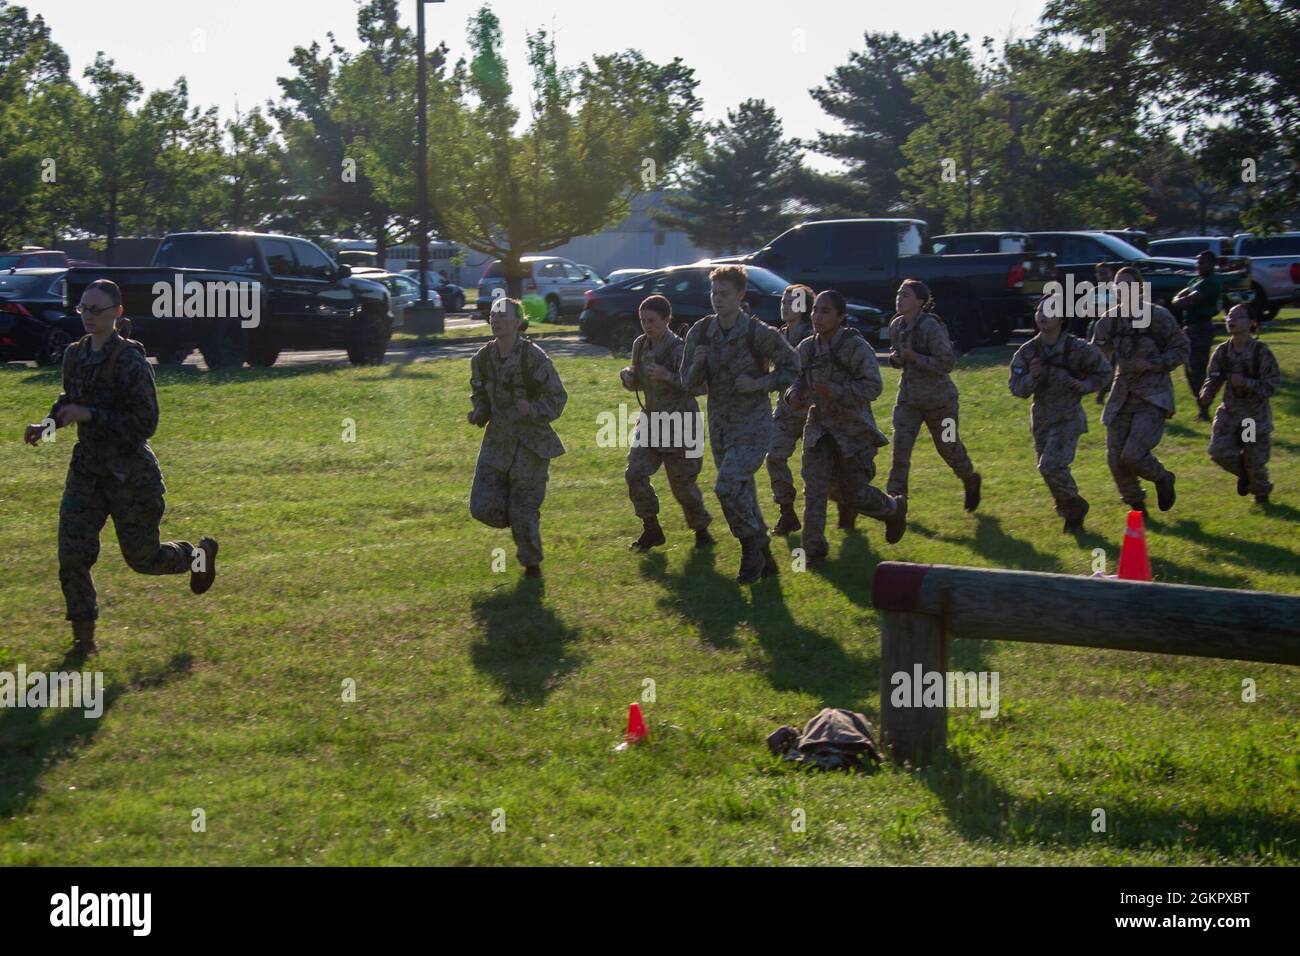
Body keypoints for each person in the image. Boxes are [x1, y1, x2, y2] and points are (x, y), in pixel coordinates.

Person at [23, 279, 217, 659]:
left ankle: (197, 556)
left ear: (117, 313)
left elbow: (145, 423)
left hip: (130, 475)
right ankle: (84, 639)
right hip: (87, 472)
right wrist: (47, 426)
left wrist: (91, 415)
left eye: (98, 309)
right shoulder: (74, 355)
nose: (89, 317)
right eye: (84, 308)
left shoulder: (130, 360)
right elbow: (69, 400)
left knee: (143, 559)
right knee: (72, 552)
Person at [682, 264, 801, 584]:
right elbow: (688, 385)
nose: (717, 299)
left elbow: (793, 366)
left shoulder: (757, 332)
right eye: (713, 293)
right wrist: (697, 364)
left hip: (753, 424)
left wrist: (761, 383)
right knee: (743, 492)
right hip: (720, 425)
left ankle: (750, 545)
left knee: (727, 486)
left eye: (724, 293)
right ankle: (766, 558)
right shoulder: (701, 332)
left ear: (740, 295)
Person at [784, 290, 907, 563]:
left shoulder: (854, 347)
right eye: (815, 310)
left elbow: (873, 387)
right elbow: (796, 379)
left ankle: (892, 509)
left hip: (853, 431)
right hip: (820, 429)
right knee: (814, 487)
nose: (817, 316)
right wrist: (793, 394)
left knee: (853, 494)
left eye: (825, 311)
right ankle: (813, 549)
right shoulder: (807, 347)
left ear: (841, 317)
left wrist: (835, 390)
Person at [468, 297, 568, 577]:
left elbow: (558, 398)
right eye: (492, 316)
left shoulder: (533, 358)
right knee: (481, 507)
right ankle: (525, 520)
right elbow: (480, 394)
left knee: (523, 510)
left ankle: (531, 565)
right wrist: (478, 412)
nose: (496, 320)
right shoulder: (482, 359)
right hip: (496, 444)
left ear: (517, 322)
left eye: (502, 316)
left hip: (531, 445)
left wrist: (534, 409)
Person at [1090, 266, 1190, 515]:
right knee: (1115, 458)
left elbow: (1181, 348)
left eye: (1128, 284)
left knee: (1133, 454)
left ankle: (1162, 478)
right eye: (1118, 285)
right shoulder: (1109, 321)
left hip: (1153, 395)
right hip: (1122, 395)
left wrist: (1154, 363)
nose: (1122, 289)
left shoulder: (1158, 316)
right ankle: (1137, 507)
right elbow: (1097, 354)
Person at [1009, 295, 1113, 531]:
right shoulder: (1027, 352)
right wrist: (1032, 377)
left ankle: (1075, 507)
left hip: (1068, 417)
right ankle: (1071, 512)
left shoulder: (1078, 349)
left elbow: (1104, 373)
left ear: (1063, 318)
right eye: (1039, 311)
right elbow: (1016, 389)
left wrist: (1086, 386)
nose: (1043, 315)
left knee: (1051, 466)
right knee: (1048, 471)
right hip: (1041, 419)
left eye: (1050, 310)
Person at [620, 294, 714, 551]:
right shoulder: (640, 344)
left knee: (682, 485)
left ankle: (701, 531)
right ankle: (651, 528)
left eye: (652, 320)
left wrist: (669, 376)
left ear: (667, 319)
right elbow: (639, 381)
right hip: (651, 422)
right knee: (634, 473)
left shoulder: (680, 349)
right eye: (642, 320)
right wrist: (629, 378)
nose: (646, 325)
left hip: (682, 425)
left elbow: (701, 386)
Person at [885, 279, 982, 511]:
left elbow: (947, 362)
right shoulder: (896, 325)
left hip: (940, 401)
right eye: (899, 294)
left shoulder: (931, 326)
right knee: (900, 448)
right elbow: (896, 355)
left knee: (948, 446)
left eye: (906, 295)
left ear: (920, 301)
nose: (900, 298)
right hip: (909, 399)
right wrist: (896, 359)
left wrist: (916, 357)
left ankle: (969, 478)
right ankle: (896, 504)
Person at [1198, 304, 1280, 503]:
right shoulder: (1223, 351)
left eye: (1237, 316)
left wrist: (1246, 383)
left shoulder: (1260, 352)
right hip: (1229, 413)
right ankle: (1245, 476)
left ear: (1251, 322)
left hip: (1251, 418)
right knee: (1218, 452)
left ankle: (1261, 494)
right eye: (1229, 316)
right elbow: (1214, 376)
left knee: (1254, 460)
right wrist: (1208, 391)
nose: (1230, 320)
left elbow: (1272, 386)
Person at [767, 284, 815, 535]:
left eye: (792, 301)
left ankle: (846, 506)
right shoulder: (778, 335)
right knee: (774, 456)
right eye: (783, 301)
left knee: (815, 468)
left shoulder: (815, 335)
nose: (785, 305)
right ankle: (787, 513)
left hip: (813, 412)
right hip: (785, 411)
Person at [1171, 250, 1223, 420]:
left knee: (1198, 369)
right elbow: (1177, 298)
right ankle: (1200, 405)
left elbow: (1187, 301)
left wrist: (1180, 300)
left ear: (1212, 264)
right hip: (1189, 328)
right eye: (1198, 262)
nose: (1198, 266)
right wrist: (1179, 300)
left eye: (1203, 263)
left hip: (1200, 328)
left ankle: (1204, 408)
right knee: (1189, 369)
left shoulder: (1210, 282)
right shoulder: (1196, 280)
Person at [1090, 261, 1118, 405]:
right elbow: (1087, 309)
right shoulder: (1095, 291)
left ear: (1112, 273)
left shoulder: (1116, 290)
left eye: (1105, 273)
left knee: (1110, 361)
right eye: (1099, 273)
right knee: (1094, 359)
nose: (1102, 276)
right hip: (1096, 326)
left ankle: (1104, 392)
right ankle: (1099, 388)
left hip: (1113, 329)